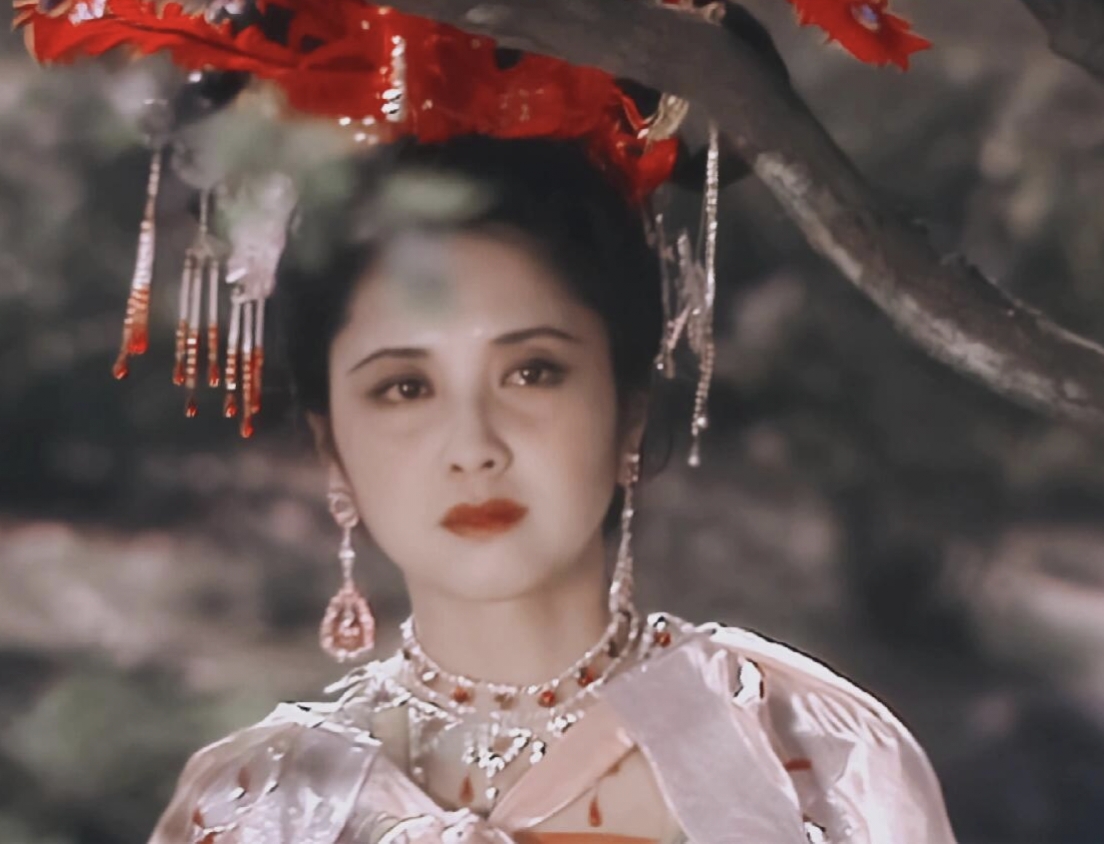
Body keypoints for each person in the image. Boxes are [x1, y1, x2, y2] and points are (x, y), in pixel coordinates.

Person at [12, 2, 951, 842]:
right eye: (404, 387)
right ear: (332, 446)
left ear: (627, 408)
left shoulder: (807, 757)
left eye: (532, 372)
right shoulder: (259, 810)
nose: (473, 447)